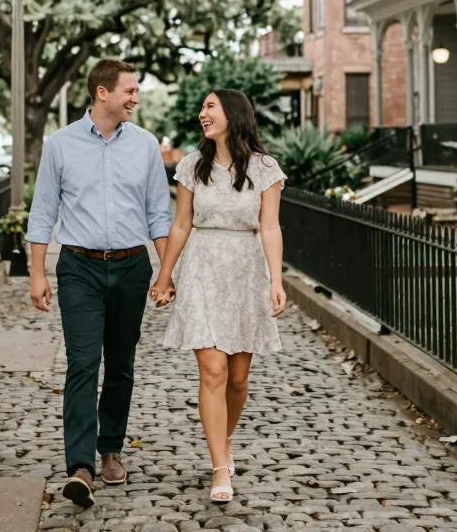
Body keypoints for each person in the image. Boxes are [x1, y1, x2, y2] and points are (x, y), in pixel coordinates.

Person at [26, 58, 173, 509]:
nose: (136, 98)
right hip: (79, 268)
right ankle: (80, 467)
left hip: (132, 267)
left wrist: (167, 272)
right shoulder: (60, 145)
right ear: (102, 92)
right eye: (130, 90)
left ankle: (110, 449)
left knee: (121, 364)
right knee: (83, 363)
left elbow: (159, 214)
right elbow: (43, 212)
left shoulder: (145, 145)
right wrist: (37, 273)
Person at [150, 88, 287, 504]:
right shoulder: (192, 166)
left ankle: (223, 440)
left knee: (238, 378)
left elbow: (270, 227)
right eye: (203, 106)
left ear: (233, 113)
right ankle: (219, 467)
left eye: (210, 106)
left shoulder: (265, 168)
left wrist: (276, 280)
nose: (202, 113)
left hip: (246, 272)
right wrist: (165, 276)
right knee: (213, 371)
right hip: (202, 269)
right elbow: (181, 224)